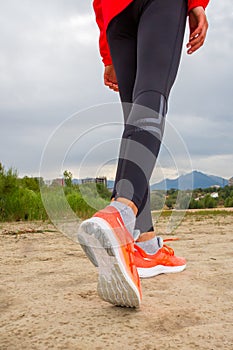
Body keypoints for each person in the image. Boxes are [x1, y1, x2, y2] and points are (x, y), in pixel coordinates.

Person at [78, 0, 209, 308]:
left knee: (135, 118)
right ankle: (121, 213)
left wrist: (107, 53)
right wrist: (198, 4)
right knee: (152, 97)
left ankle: (147, 246)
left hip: (114, 15)